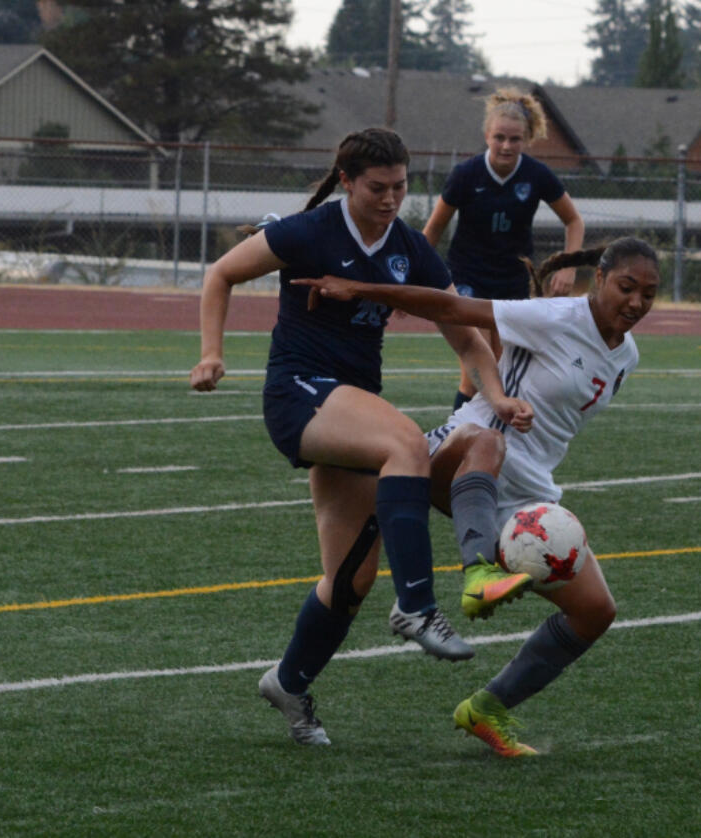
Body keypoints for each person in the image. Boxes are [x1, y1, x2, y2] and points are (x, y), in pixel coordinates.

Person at [189, 127, 534, 747]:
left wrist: (497, 390)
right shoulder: (308, 232)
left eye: (400, 187)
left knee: (347, 581)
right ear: (347, 181)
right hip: (299, 393)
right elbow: (220, 275)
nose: (391, 198)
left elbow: (463, 330)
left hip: (349, 407)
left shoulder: (409, 247)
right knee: (402, 440)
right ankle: (417, 605)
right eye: (378, 187)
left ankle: (289, 685)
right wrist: (212, 354)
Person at [295, 236, 661, 757]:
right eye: (627, 287)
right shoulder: (554, 316)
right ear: (599, 278)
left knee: (596, 612)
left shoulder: (627, 356)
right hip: (465, 449)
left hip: (527, 490)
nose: (636, 303)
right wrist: (360, 289)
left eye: (648, 294)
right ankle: (477, 571)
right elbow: (451, 309)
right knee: (490, 439)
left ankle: (487, 709)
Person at [422, 87, 585, 412]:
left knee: (502, 367)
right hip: (468, 278)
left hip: (513, 282)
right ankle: (456, 439)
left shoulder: (536, 175)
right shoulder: (466, 175)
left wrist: (568, 266)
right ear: (486, 136)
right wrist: (411, 278)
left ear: (526, 140)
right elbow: (433, 230)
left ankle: (486, 437)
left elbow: (574, 221)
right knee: (477, 368)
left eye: (514, 139)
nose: (506, 145)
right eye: (499, 138)